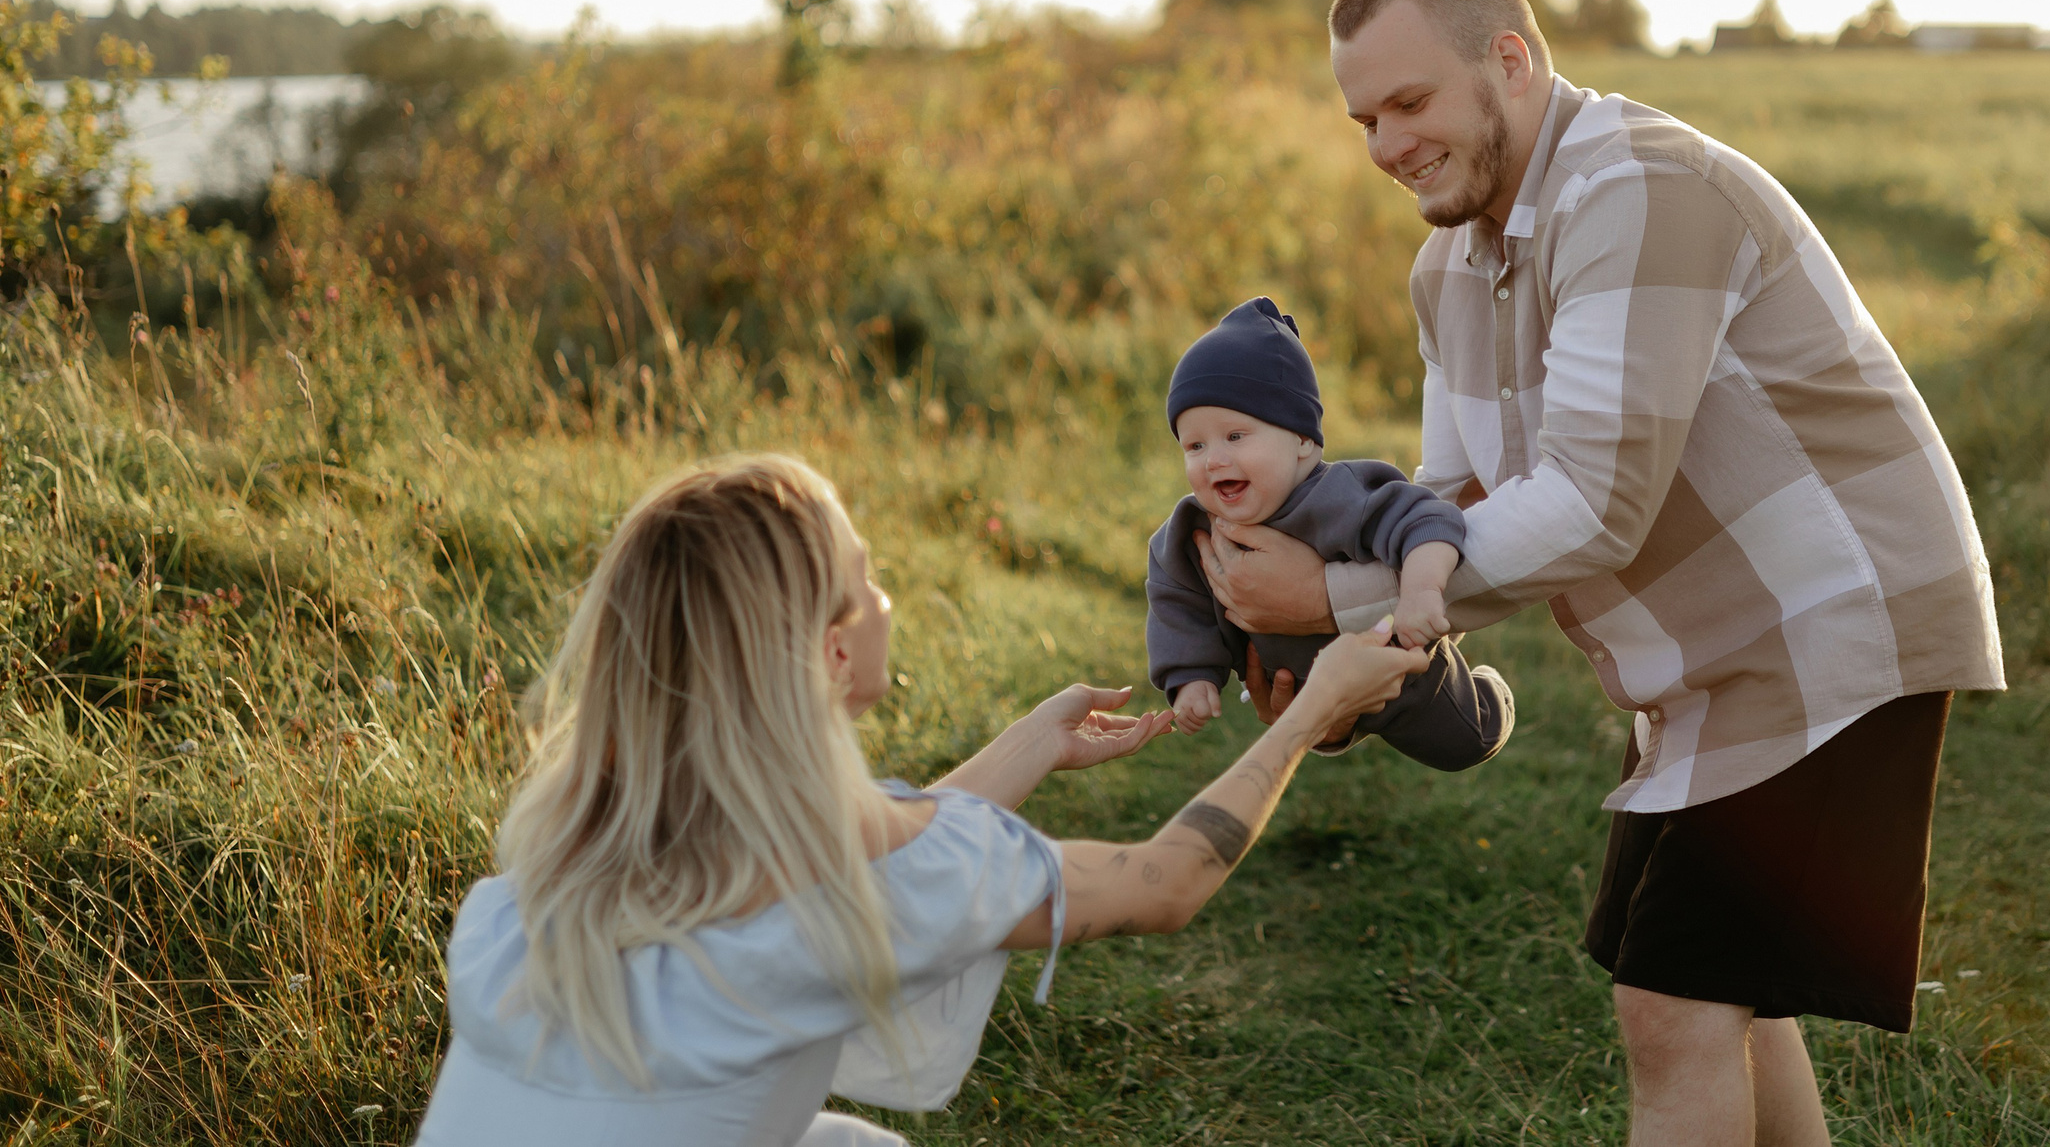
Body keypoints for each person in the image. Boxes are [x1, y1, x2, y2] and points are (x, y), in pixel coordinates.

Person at [1189, 0, 2007, 1147]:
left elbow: (1587, 502)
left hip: (1832, 626)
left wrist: (1338, 590)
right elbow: (1447, 494)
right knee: (1720, 993)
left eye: (1408, 102)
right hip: (1705, 664)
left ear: (1508, 62)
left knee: (1670, 1004)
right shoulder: (1448, 267)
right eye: (1362, 117)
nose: (1383, 144)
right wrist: (1333, 633)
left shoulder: (1638, 191)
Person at [411, 452, 1423, 1147]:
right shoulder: (869, 883)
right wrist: (1311, 708)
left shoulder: (564, 862)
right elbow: (1165, 880)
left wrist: (1030, 742)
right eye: (871, 577)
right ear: (834, 649)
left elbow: (871, 869)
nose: (889, 597)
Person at [1146, 294, 1514, 769]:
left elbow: (1428, 520)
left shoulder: (1339, 495)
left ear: (1302, 440)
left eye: (1235, 436)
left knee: (1463, 743)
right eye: (1194, 445)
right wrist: (1190, 676)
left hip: (1400, 670)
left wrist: (1422, 591)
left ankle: (1492, 692)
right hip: (1302, 692)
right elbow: (1175, 596)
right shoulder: (1193, 529)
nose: (1214, 458)